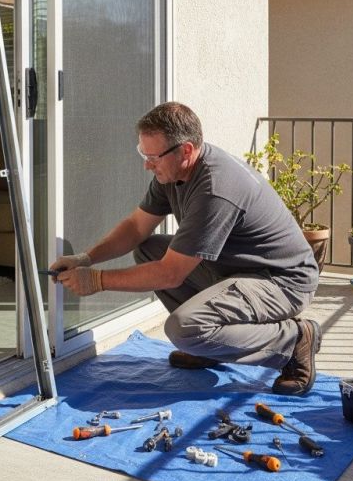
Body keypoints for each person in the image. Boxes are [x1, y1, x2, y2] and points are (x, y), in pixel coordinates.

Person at [51, 101, 321, 395]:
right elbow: (136, 228)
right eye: (143, 153)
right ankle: (211, 346)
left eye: (152, 157)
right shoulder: (172, 173)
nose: (146, 164)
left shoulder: (215, 189)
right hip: (234, 270)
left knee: (183, 328)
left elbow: (170, 274)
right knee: (149, 249)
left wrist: (96, 281)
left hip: (282, 281)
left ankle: (294, 340)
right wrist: (86, 258)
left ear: (186, 150)